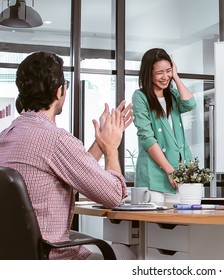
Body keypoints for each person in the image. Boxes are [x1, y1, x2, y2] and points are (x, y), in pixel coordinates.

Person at [0, 51, 135, 260]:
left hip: (13, 257)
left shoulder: (5, 136)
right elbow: (114, 196)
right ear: (59, 91)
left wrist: (100, 144)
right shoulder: (55, 140)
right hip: (52, 257)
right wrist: (110, 149)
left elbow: (75, 170)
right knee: (127, 255)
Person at [132, 48, 196, 204]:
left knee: (180, 224)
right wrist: (169, 171)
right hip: (154, 175)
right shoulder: (140, 97)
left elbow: (190, 103)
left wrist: (176, 77)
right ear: (149, 73)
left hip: (178, 174)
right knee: (153, 225)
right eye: (160, 72)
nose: (165, 76)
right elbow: (146, 137)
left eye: (168, 71)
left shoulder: (173, 95)